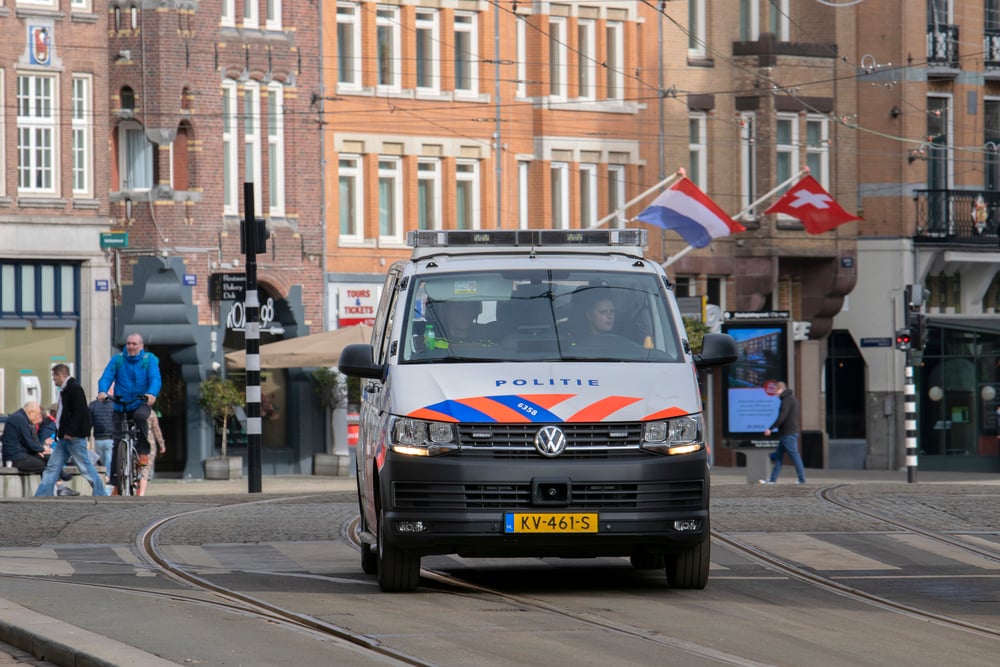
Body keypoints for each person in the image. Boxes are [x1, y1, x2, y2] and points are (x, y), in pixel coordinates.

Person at [97, 332, 162, 494]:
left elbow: (155, 378)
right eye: (129, 344)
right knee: (117, 440)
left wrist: (152, 393)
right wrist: (102, 391)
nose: (131, 347)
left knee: (140, 417)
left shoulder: (149, 360)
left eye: (134, 344)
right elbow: (106, 376)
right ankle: (115, 481)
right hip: (121, 403)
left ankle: (142, 452)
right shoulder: (118, 359)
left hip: (141, 401)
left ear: (141, 346)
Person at [35, 365, 108, 497]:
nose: (53, 379)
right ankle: (42, 494)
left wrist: (71, 431)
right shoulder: (66, 390)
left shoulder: (74, 389)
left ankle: (100, 493)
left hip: (73, 437)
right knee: (52, 466)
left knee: (85, 466)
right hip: (65, 437)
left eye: (54, 376)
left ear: (61, 375)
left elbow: (79, 412)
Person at [760, 381, 807, 485]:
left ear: (780, 389)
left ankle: (802, 480)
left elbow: (782, 416)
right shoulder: (793, 399)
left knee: (795, 456)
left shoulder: (786, 400)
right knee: (779, 458)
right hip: (788, 433)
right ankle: (772, 480)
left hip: (788, 433)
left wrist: (770, 428)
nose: (775, 394)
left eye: (775, 391)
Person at [37, 402, 78, 496]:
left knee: (49, 462)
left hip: (56, 454)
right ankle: (60, 485)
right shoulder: (50, 426)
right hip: (56, 455)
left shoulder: (47, 426)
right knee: (48, 462)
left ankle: (58, 487)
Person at [1, 401, 49, 473]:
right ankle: (59, 480)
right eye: (36, 415)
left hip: (19, 455)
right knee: (42, 465)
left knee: (47, 459)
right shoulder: (20, 419)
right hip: (15, 458)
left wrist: (38, 451)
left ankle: (61, 478)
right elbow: (28, 442)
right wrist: (42, 449)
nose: (36, 417)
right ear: (31, 412)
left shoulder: (21, 418)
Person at [137, 409, 167, 496]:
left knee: (135, 467)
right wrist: (161, 443)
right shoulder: (150, 412)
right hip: (148, 440)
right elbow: (156, 428)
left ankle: (134, 490)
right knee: (145, 468)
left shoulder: (132, 410)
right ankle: (141, 494)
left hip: (134, 438)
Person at [90, 391, 115, 483]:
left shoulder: (93, 405)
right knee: (109, 459)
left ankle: (103, 478)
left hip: (98, 438)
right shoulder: (114, 404)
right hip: (110, 437)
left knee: (101, 460)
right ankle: (108, 478)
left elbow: (90, 422)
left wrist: (88, 437)